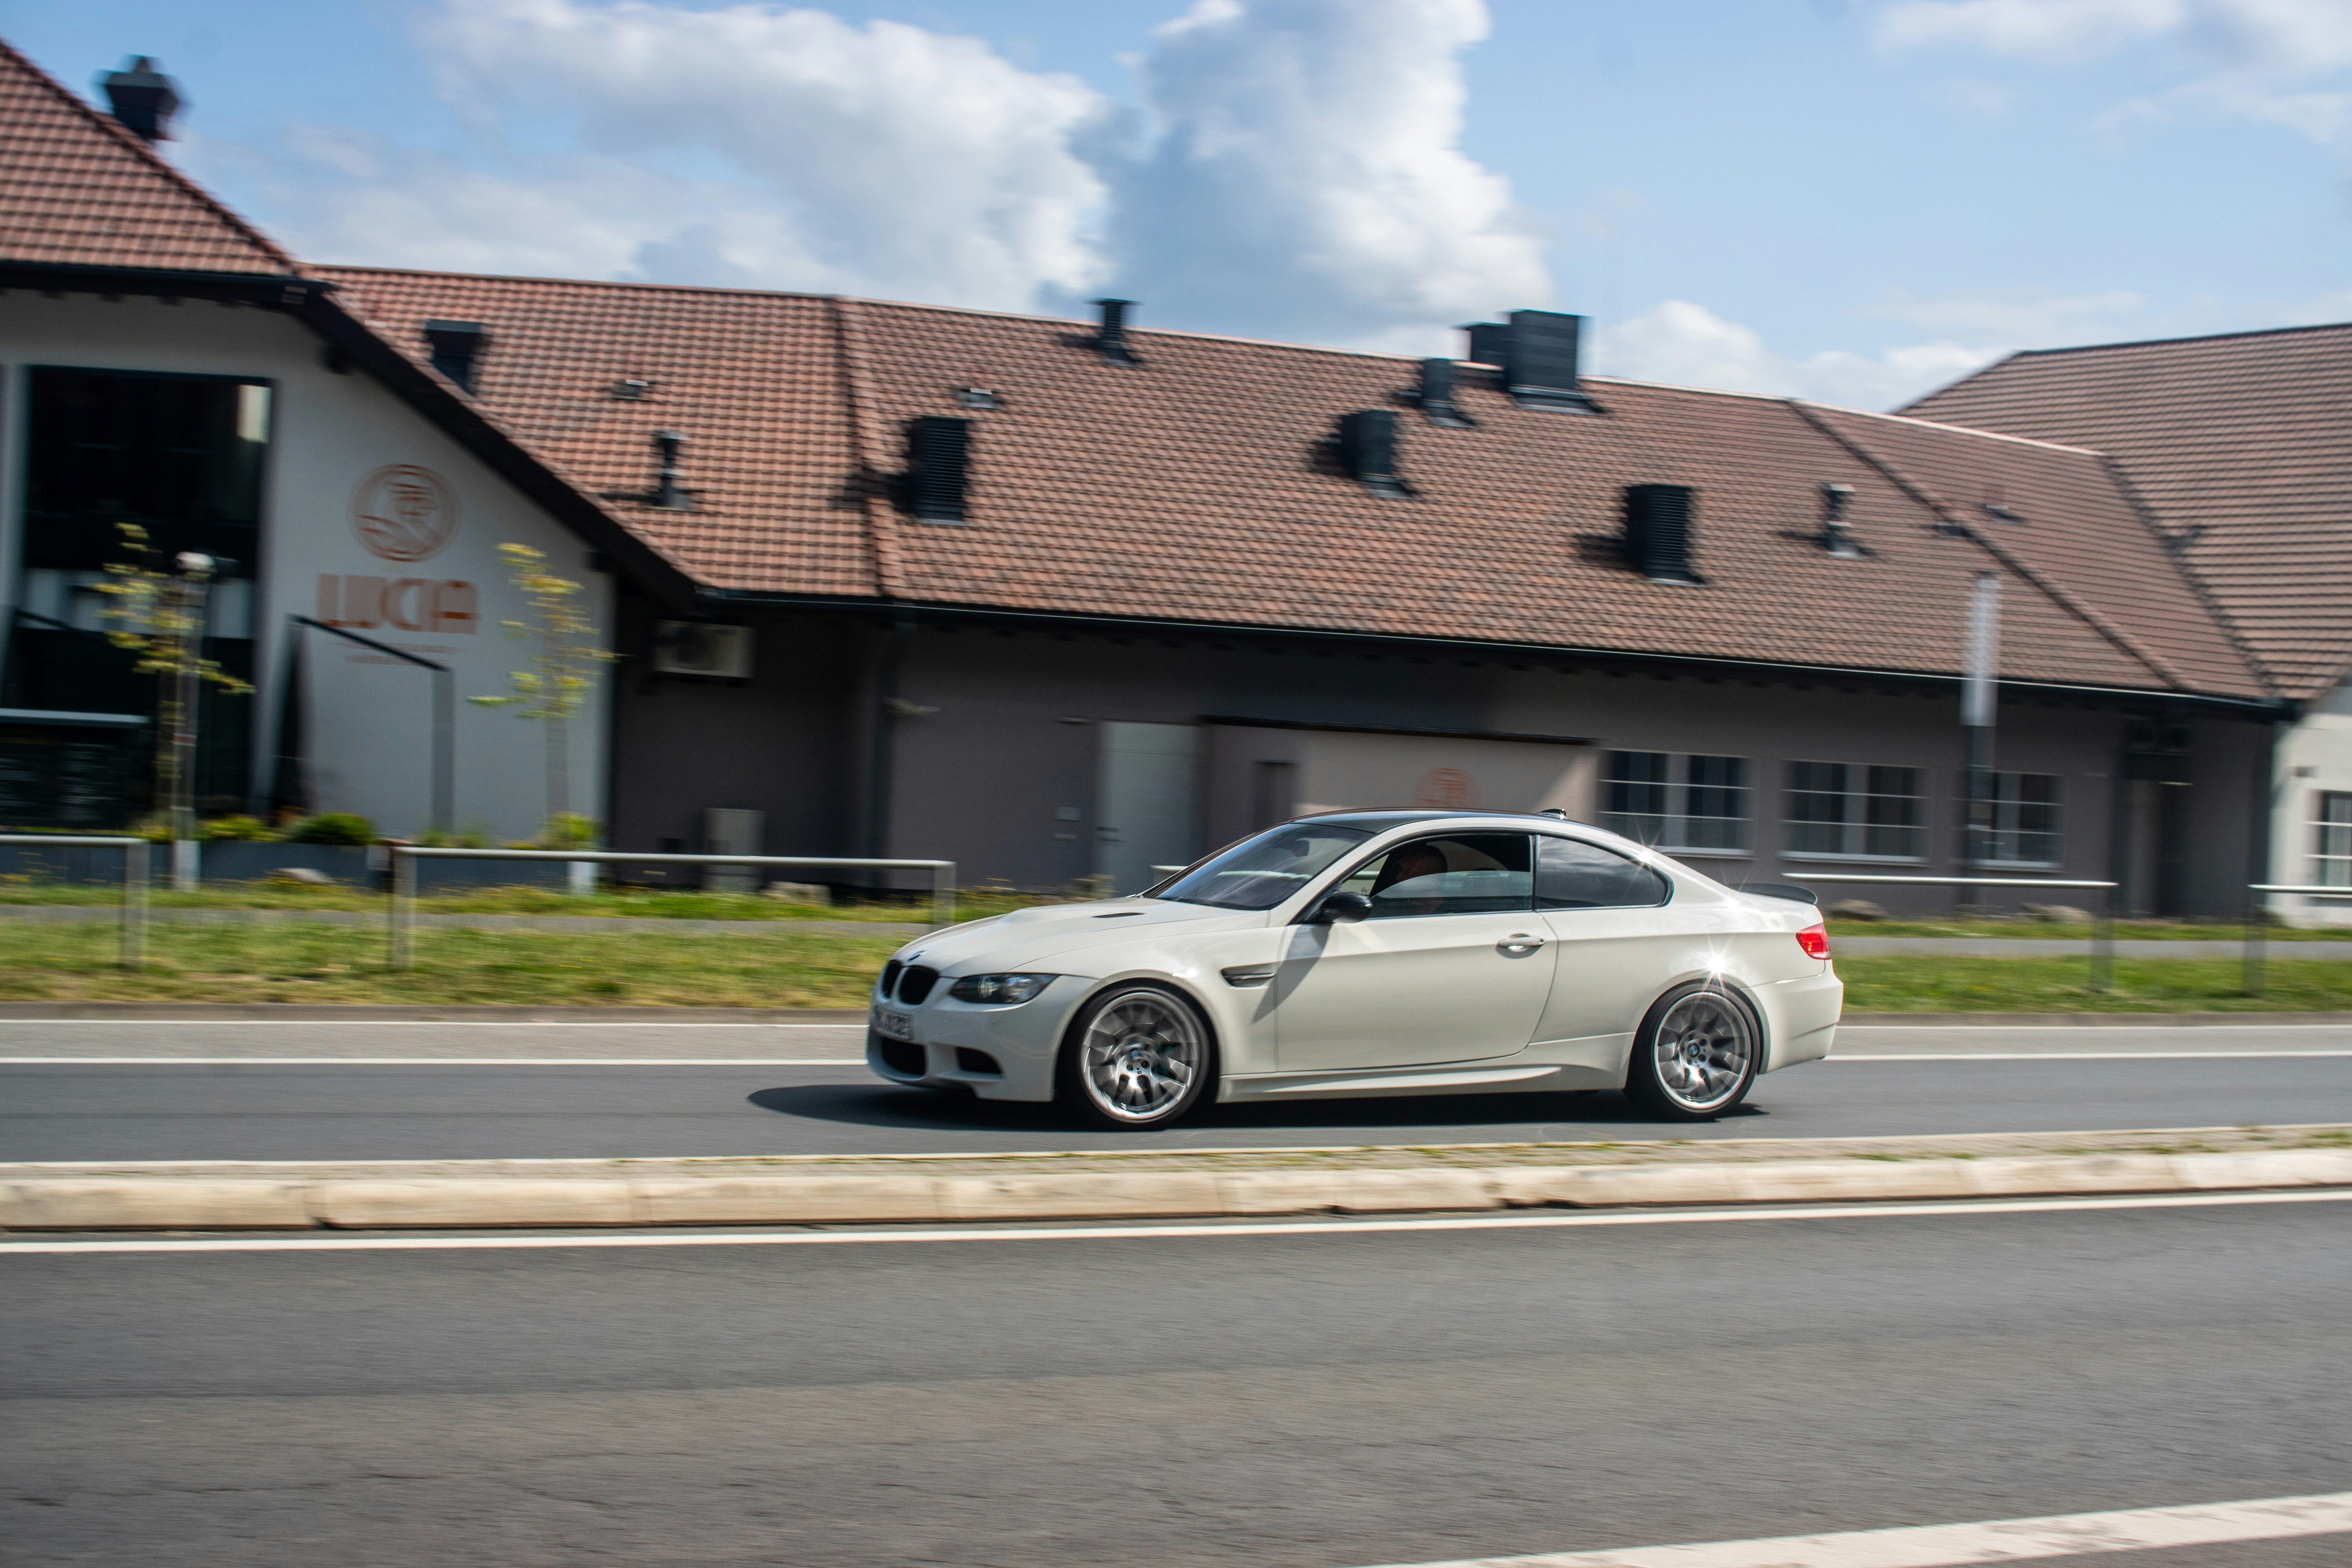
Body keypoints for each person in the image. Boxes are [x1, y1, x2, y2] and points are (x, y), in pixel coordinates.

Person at [1368, 842, 1448, 915]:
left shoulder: (1452, 914)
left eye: (1409, 872)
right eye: (1401, 870)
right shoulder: (1392, 910)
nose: (1398, 877)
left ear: (1433, 879)